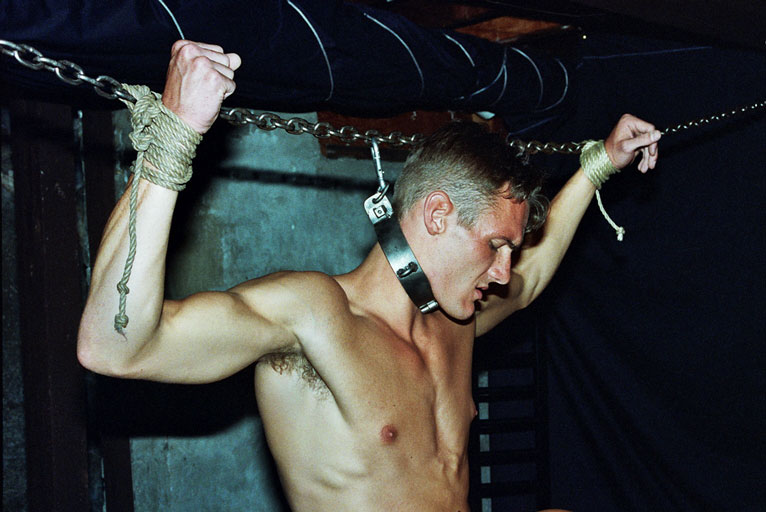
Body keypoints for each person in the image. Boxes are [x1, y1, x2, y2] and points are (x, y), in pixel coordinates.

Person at [77, 40, 660, 512]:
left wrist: (600, 164)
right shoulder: (312, 317)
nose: (506, 272)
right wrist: (174, 136)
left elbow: (530, 283)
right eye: (496, 245)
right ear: (438, 215)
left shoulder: (455, 323)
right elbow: (113, 348)